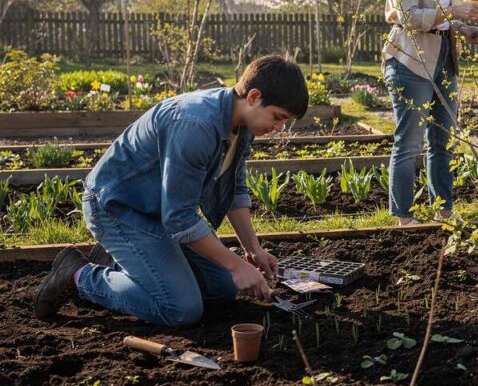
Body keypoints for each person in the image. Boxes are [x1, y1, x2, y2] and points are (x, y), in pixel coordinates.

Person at [34, 55, 308, 325]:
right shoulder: (195, 124)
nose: (279, 128)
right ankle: (79, 275)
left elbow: (235, 188)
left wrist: (253, 250)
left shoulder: (241, 123)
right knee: (180, 308)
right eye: (278, 117)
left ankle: (130, 263)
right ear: (253, 97)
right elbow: (180, 218)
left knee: (223, 288)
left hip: (158, 210)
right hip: (117, 207)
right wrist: (237, 265)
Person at [382, 0, 478, 226]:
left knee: (442, 140)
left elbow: (440, 20)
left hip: (443, 59)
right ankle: (403, 217)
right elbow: (410, 17)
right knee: (410, 141)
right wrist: (454, 11)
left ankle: (443, 211)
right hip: (411, 61)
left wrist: (464, 27)